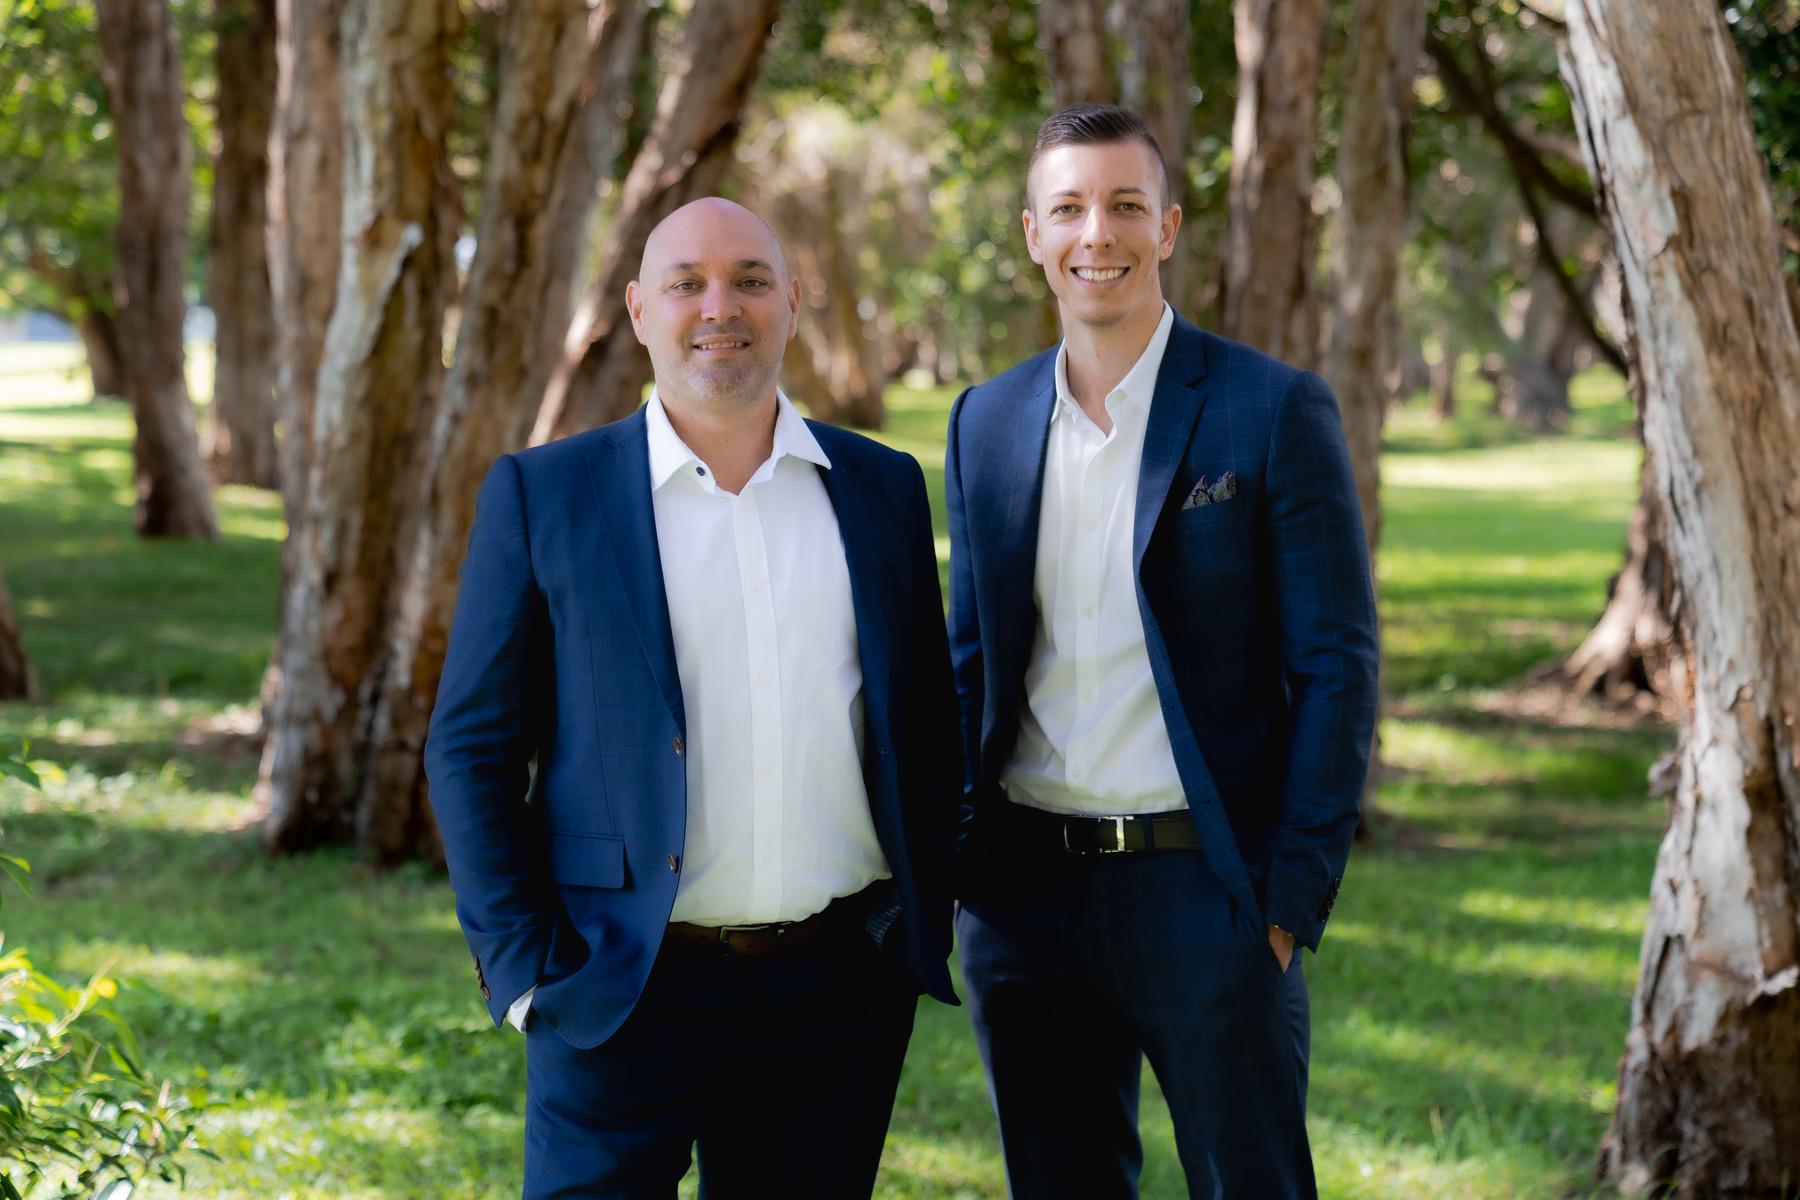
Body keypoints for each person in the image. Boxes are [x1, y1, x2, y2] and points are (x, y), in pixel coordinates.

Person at [425, 197, 960, 1199]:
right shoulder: (547, 494)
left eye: (750, 280)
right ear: (639, 310)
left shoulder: (880, 487)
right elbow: (471, 748)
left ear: (792, 301)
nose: (721, 307)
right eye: (687, 284)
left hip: (838, 993)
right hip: (618, 984)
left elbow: (926, 721)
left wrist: (914, 923)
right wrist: (526, 970)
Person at [945, 105, 1378, 1198]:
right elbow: (968, 666)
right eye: (1069, 209)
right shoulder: (984, 422)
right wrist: (960, 874)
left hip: (1208, 891)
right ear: (1033, 235)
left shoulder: (1270, 408)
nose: (1098, 233)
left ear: (1168, 227)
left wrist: (1287, 901)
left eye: (1126, 206)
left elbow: (1337, 665)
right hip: (1027, 900)